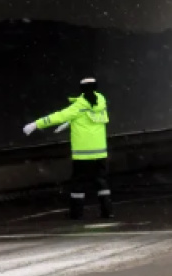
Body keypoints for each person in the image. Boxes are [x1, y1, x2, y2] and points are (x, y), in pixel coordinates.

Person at [24, 78, 113, 220]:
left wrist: (36, 124)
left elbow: (58, 116)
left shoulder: (79, 105)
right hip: (100, 152)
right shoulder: (101, 102)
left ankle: (76, 213)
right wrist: (71, 121)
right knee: (101, 182)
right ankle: (107, 211)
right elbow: (88, 117)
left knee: (78, 184)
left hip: (82, 154)